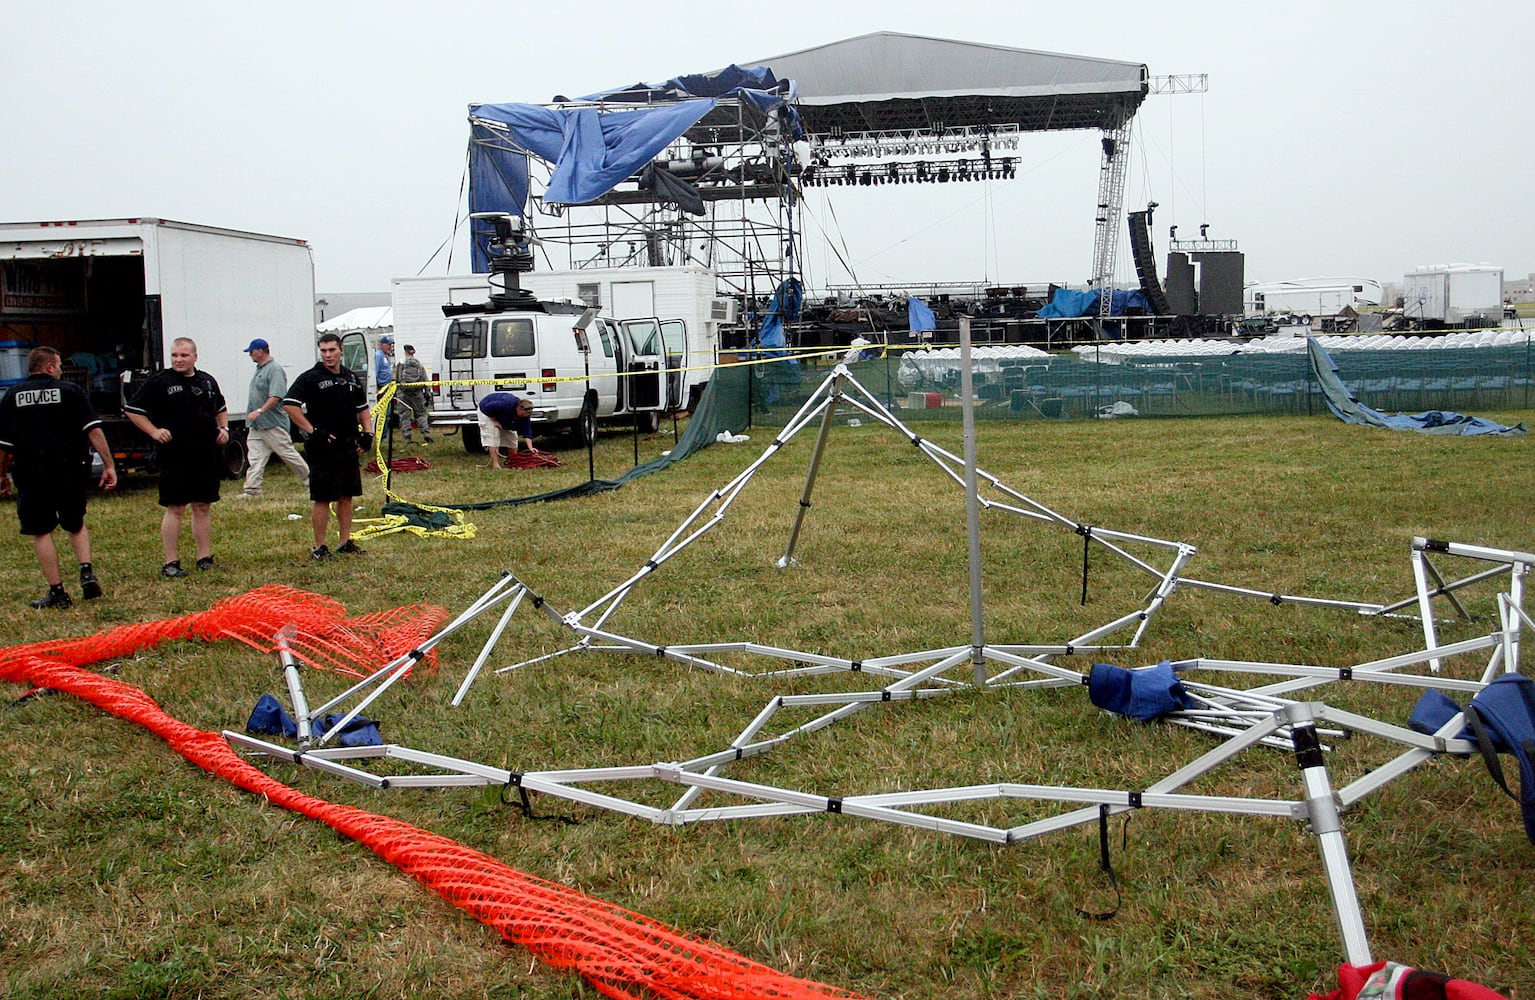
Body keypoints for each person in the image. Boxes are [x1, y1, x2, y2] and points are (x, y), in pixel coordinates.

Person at [0, 347, 118, 608]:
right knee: (75, 522)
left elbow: (3, 444)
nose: (61, 370)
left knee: (41, 532)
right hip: (70, 469)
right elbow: (93, 430)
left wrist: (1, 476)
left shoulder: (12, 396)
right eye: (59, 366)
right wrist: (109, 464)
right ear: (51, 367)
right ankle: (86, 572)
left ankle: (58, 592)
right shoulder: (71, 391)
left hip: (31, 472)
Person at [125, 337, 228, 578]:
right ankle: (170, 562)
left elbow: (221, 408)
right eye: (174, 355)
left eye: (183, 355)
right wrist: (153, 431)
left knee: (202, 506)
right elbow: (132, 410)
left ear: (195, 357)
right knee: (176, 507)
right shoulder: (160, 382)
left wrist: (223, 429)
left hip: (205, 453)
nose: (178, 360)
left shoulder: (207, 381)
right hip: (175, 454)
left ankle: (204, 557)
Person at [284, 332, 374, 560]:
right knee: (323, 497)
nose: (328, 355)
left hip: (348, 445)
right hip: (323, 447)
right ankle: (319, 547)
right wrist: (313, 431)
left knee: (346, 495)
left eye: (332, 350)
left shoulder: (351, 377)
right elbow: (290, 405)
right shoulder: (311, 377)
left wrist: (368, 433)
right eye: (323, 351)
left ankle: (344, 542)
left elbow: (362, 408)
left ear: (341, 350)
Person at [237, 338, 309, 498]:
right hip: (257, 425)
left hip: (272, 423)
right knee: (255, 457)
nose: (250, 355)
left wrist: (260, 411)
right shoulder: (260, 369)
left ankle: (311, 481)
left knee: (288, 454)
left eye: (251, 351)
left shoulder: (275, 370)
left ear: (260, 351)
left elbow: (276, 395)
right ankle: (252, 490)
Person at [476, 392, 538, 469]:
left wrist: (530, 448)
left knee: (512, 438)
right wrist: (494, 420)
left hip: (503, 415)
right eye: (522, 414)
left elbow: (527, 431)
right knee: (493, 435)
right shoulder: (506, 404)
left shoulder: (525, 415)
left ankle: (512, 461)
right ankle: (495, 464)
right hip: (487, 411)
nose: (524, 416)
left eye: (526, 415)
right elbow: (489, 407)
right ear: (519, 408)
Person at [393, 344, 432, 444]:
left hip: (403, 393)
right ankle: (426, 433)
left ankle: (407, 437)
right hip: (417, 393)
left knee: (404, 415)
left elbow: (396, 379)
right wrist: (427, 393)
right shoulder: (418, 364)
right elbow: (425, 379)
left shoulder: (401, 364)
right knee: (421, 414)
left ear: (405, 352)